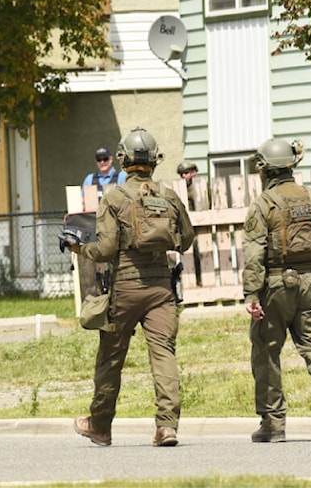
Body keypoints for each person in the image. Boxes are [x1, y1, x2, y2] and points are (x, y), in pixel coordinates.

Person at [64, 127, 195, 447]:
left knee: (111, 357)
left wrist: (79, 248)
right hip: (161, 289)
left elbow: (106, 250)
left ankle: (100, 425)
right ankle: (167, 427)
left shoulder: (114, 197)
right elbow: (187, 240)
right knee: (164, 355)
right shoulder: (168, 196)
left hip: (125, 287)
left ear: (123, 159)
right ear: (154, 160)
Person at [241, 138, 311, 443]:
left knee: (266, 351)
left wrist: (251, 296)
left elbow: (254, 254)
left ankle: (273, 424)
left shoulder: (262, 205)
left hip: (275, 286)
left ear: (263, 168)